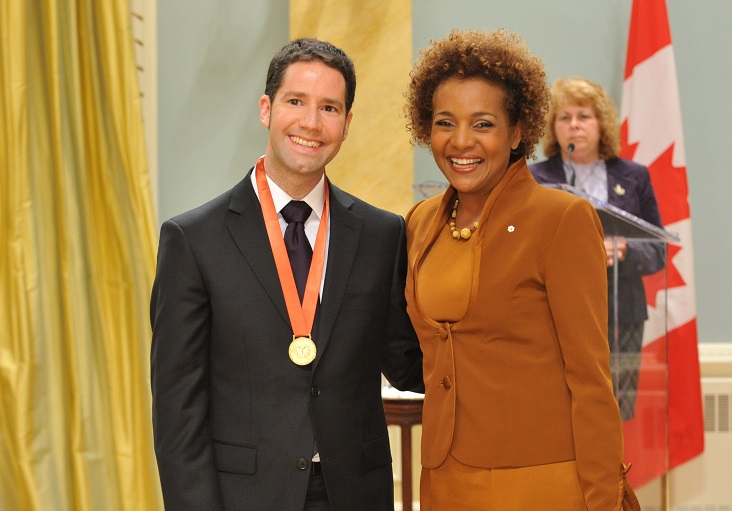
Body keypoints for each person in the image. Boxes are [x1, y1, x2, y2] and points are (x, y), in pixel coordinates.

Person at [150, 38, 423, 511]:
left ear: (347, 124)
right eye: (296, 101)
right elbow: (178, 410)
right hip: (243, 497)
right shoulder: (193, 240)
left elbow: (406, 361)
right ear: (266, 109)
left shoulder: (383, 235)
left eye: (330, 108)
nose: (311, 123)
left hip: (356, 494)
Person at [404, 29, 626, 510]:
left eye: (482, 124)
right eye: (445, 122)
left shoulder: (560, 219)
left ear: (517, 131)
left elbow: (591, 380)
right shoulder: (421, 223)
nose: (461, 141)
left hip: (540, 481)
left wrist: (604, 498)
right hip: (444, 480)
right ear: (426, 128)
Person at [530, 76, 666, 421]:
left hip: (622, 314)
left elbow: (658, 251)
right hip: (554, 312)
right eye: (565, 117)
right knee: (560, 413)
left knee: (614, 414)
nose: (574, 125)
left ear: (601, 124)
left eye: (584, 116)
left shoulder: (634, 176)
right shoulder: (534, 179)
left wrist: (623, 251)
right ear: (553, 127)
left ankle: (612, 477)